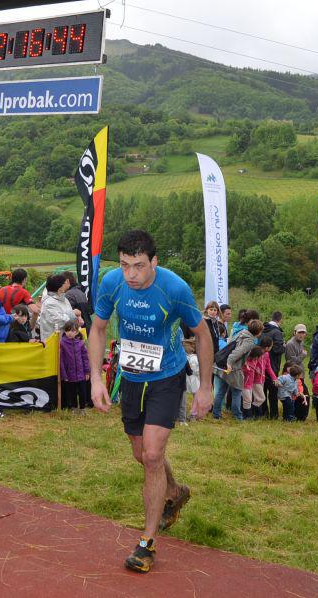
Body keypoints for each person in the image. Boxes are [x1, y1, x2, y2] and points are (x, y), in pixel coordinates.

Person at [87, 230, 213, 574]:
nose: (131, 274)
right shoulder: (112, 283)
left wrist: (205, 387)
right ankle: (174, 490)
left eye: (139, 266)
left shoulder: (174, 288)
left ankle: (147, 543)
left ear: (154, 262)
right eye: (125, 265)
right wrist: (96, 378)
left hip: (167, 377)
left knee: (153, 455)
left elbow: (202, 334)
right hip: (131, 377)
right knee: (141, 454)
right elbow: (97, 329)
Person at [223, 318, 263, 421]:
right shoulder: (249, 341)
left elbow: (232, 344)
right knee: (237, 392)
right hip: (233, 367)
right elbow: (238, 352)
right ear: (258, 332)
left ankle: (217, 413)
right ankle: (238, 416)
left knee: (222, 390)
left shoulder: (242, 333)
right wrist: (229, 362)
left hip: (228, 363)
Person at [60, 319, 91, 410]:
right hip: (70, 374)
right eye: (68, 330)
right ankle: (74, 407)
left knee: (82, 392)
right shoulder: (62, 343)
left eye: (73, 331)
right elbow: (61, 361)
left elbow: (85, 358)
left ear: (77, 332)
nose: (70, 333)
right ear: (65, 331)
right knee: (72, 392)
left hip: (81, 374)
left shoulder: (81, 343)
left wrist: (87, 372)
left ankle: (82, 408)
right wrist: (64, 375)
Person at [261, 311, 285, 419]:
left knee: (262, 390)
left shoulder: (263, 330)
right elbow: (277, 349)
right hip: (272, 366)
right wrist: (284, 346)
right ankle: (274, 415)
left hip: (261, 365)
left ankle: (263, 413)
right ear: (280, 320)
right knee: (273, 391)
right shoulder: (277, 332)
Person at [38, 273, 76, 342]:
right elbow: (59, 321)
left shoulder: (64, 299)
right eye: (64, 283)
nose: (66, 284)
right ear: (60, 288)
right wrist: (73, 314)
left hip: (66, 341)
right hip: (53, 343)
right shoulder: (49, 303)